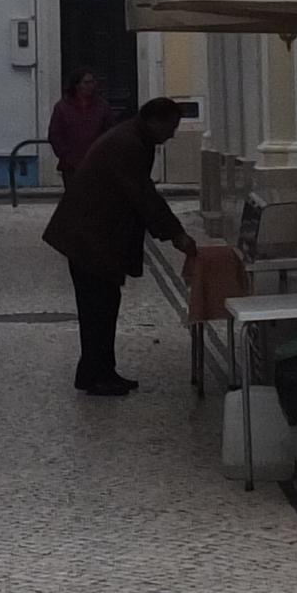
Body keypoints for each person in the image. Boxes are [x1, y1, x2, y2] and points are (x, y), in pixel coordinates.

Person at [42, 94, 195, 396]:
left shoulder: (134, 138)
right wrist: (176, 234)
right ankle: (95, 375)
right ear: (154, 121)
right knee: (97, 307)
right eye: (171, 127)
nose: (172, 134)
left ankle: (100, 371)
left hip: (94, 236)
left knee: (103, 305)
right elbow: (142, 195)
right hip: (89, 237)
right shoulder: (128, 144)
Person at [46, 68, 109, 183]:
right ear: (77, 85)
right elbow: (55, 134)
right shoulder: (62, 107)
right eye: (86, 83)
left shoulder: (102, 107)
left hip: (97, 163)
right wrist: (66, 156)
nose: (91, 86)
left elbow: (109, 132)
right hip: (71, 165)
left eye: (92, 82)